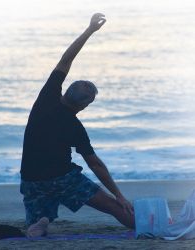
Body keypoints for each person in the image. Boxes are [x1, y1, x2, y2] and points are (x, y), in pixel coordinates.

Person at [20, 13, 135, 237]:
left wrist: (90, 30)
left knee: (36, 226)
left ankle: (40, 221)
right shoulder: (75, 127)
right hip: (64, 179)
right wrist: (118, 195)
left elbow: (66, 60)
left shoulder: (47, 99)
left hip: (31, 179)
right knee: (114, 207)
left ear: (67, 91)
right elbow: (95, 165)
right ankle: (149, 225)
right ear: (84, 106)